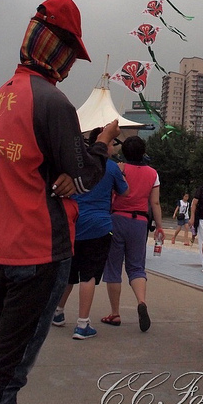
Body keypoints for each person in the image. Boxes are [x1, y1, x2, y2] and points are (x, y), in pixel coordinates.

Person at [0, 0, 120, 404]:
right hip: (40, 252)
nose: (70, 65)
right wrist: (102, 144)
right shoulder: (53, 103)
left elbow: (35, 165)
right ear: (58, 50)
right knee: (9, 373)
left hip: (3, 249)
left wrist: (66, 171)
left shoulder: (3, 95)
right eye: (70, 53)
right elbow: (85, 177)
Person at [52, 128, 129, 339]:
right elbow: (125, 191)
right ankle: (82, 324)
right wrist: (121, 174)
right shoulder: (111, 167)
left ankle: (57, 312)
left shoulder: (77, 164)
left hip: (73, 223)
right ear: (103, 143)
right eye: (111, 143)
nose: (113, 147)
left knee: (69, 273)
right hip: (99, 226)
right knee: (89, 275)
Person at [101, 136, 164, 332]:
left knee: (113, 267)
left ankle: (115, 313)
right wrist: (159, 226)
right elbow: (155, 203)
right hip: (140, 222)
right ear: (143, 152)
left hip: (117, 219)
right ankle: (141, 301)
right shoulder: (152, 173)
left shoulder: (118, 169)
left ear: (124, 152)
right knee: (137, 267)